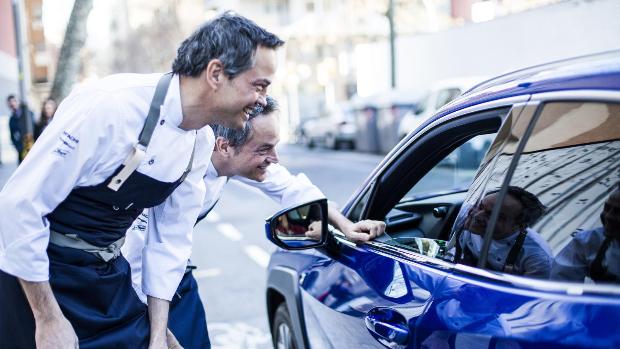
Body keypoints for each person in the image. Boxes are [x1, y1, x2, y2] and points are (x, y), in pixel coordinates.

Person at [0, 12, 283, 349]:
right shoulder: (110, 107)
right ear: (216, 73)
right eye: (259, 85)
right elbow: (19, 206)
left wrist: (158, 333)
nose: (263, 100)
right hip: (35, 278)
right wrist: (47, 319)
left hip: (106, 277)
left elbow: (168, 243)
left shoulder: (199, 144)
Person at [123, 96, 386, 349]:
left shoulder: (231, 159)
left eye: (274, 146)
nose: (275, 158)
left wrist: (344, 225)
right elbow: (139, 256)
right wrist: (160, 334)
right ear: (224, 146)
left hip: (177, 275)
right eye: (264, 149)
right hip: (133, 282)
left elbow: (292, 188)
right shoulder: (172, 173)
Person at [452, 186, 553, 278]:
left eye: (494, 215)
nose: (477, 216)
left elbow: (525, 296)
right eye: (480, 207)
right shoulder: (465, 214)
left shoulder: (537, 258)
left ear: (520, 226)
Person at [551, 183, 620, 283]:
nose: (608, 216)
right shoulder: (588, 242)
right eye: (607, 208)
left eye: (618, 212)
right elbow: (560, 283)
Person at [6, 94, 35, 163]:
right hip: (22, 150)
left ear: (18, 101)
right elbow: (12, 136)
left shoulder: (29, 114)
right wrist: (18, 147)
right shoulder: (11, 120)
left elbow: (35, 129)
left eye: (14, 101)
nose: (13, 104)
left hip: (33, 147)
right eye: (11, 103)